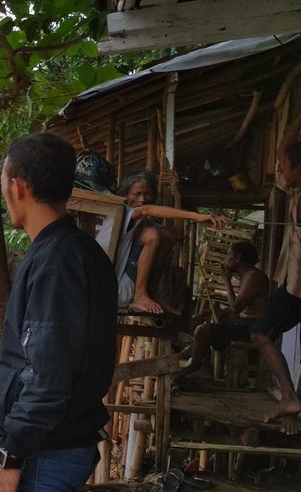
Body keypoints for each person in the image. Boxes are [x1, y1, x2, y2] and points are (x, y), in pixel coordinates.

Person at [0, 133, 117, 492]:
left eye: (3, 183)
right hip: (63, 439)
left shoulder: (55, 261)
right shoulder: (81, 251)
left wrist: (11, 456)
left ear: (18, 186)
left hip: (46, 450)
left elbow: (48, 375)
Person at [114, 171, 229, 314]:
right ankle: (140, 296)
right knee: (152, 235)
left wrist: (177, 196)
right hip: (119, 289)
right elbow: (146, 210)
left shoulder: (144, 222)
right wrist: (197, 216)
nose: (142, 199)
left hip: (124, 288)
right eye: (137, 194)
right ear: (125, 195)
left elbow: (177, 235)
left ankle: (152, 295)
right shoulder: (123, 213)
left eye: (147, 194)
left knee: (166, 235)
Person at [252, 112, 301, 435]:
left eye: (285, 168)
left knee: (261, 332)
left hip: (298, 287)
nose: (281, 171)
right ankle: (291, 401)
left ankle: (291, 400)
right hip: (294, 284)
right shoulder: (295, 190)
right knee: (262, 332)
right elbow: (283, 153)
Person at [176, 241, 269, 382]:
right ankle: (205, 368)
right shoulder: (248, 276)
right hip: (246, 324)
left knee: (202, 330)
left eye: (228, 256)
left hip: (253, 328)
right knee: (207, 326)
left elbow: (236, 308)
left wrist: (227, 280)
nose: (225, 260)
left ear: (237, 258)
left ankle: (194, 366)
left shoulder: (253, 276)